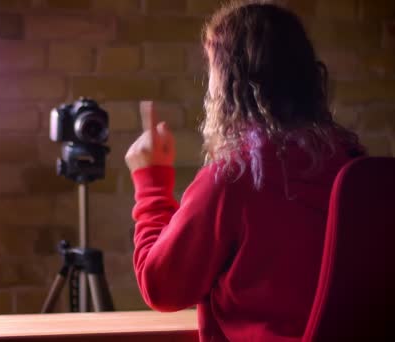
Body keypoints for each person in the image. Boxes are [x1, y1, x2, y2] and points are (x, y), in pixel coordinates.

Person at [124, 1, 365, 341]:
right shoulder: (355, 165)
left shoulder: (235, 177)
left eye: (212, 71)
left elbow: (162, 287)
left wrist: (152, 181)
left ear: (230, 84)